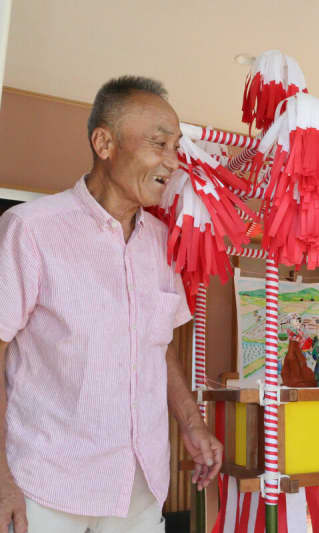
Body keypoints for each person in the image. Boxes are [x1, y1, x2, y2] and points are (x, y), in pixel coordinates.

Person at [0, 76, 223, 533]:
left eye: (176, 147)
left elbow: (157, 347)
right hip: (46, 484)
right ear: (104, 142)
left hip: (138, 483)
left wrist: (192, 423)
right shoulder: (31, 229)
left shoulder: (162, 243)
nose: (173, 161)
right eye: (159, 143)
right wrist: (1, 479)